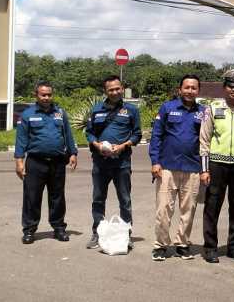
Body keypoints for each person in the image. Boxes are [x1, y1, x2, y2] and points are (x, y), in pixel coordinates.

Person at [199, 69, 234, 263]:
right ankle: (210, 248)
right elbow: (204, 139)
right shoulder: (212, 108)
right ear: (224, 88)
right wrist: (204, 169)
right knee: (212, 207)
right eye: (231, 86)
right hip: (217, 164)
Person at [149, 74, 205, 261]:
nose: (190, 91)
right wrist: (155, 161)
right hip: (167, 167)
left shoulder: (203, 112)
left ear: (198, 90)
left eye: (194, 88)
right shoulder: (167, 108)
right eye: (186, 87)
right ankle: (160, 245)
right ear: (180, 89)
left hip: (193, 167)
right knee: (163, 209)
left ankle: (182, 244)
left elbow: (207, 140)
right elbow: (156, 135)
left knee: (188, 210)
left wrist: (205, 169)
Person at [14, 81, 78, 244]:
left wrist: (73, 153)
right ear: (36, 95)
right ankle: (29, 230)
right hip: (35, 163)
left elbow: (68, 134)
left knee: (57, 197)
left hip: (57, 162)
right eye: (43, 95)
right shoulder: (27, 115)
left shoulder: (60, 113)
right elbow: (21, 140)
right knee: (32, 197)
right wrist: (19, 162)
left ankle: (59, 228)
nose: (46, 97)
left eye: (49, 94)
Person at [85, 75, 142, 250]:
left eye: (117, 88)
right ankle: (97, 233)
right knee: (98, 199)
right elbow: (89, 132)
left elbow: (137, 134)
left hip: (121, 163)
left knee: (125, 200)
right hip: (100, 162)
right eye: (111, 90)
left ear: (122, 88)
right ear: (105, 91)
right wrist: (97, 145)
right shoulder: (96, 109)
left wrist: (123, 146)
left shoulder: (131, 110)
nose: (115, 92)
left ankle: (126, 234)